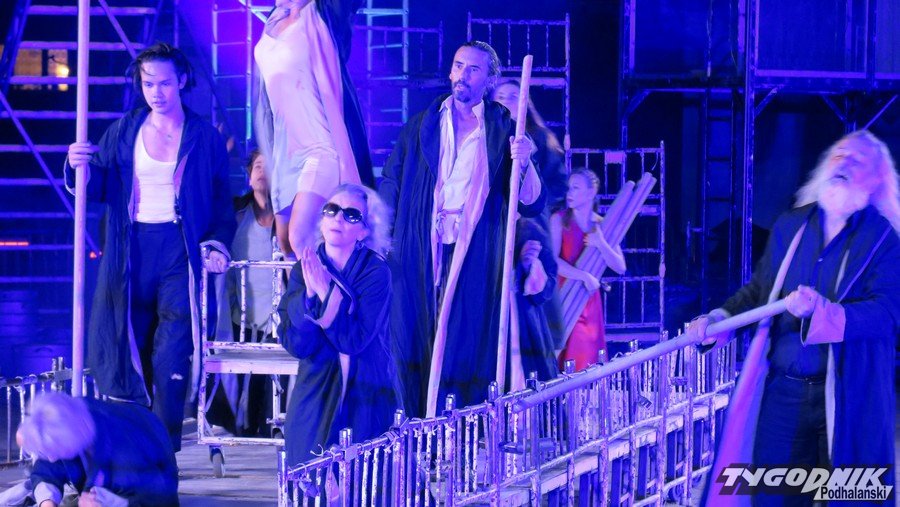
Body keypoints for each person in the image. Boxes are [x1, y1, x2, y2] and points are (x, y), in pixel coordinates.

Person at [694, 130, 900, 506]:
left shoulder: (884, 239)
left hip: (850, 396)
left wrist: (824, 313)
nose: (843, 163)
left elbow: (887, 313)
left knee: (852, 495)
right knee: (774, 496)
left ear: (876, 179)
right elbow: (760, 290)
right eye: (838, 154)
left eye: (857, 159)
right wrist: (720, 320)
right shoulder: (791, 225)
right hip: (783, 396)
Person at [65, 42, 235, 451]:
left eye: (164, 83)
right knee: (129, 345)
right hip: (130, 248)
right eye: (148, 84)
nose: (156, 92)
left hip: (179, 248)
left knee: (173, 351)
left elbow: (221, 202)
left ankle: (164, 447)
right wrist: (77, 166)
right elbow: (98, 187)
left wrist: (216, 245)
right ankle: (132, 443)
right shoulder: (124, 130)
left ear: (182, 81)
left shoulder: (203, 137)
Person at [379, 40, 546, 417]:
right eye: (458, 66)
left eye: (473, 69)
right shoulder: (423, 124)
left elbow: (532, 201)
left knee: (463, 340)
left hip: (475, 251)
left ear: (489, 80)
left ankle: (458, 425)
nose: (462, 75)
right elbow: (392, 179)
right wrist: (383, 235)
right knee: (414, 333)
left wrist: (523, 161)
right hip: (422, 246)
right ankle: (414, 422)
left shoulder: (503, 129)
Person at [277, 184, 401, 466]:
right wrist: (309, 297)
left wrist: (326, 292)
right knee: (308, 471)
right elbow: (297, 345)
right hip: (317, 388)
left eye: (351, 215)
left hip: (367, 391)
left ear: (364, 231)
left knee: (367, 477)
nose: (338, 218)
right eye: (331, 210)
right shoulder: (303, 269)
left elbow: (354, 340)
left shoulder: (376, 272)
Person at [255, 0, 373, 260]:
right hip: (284, 154)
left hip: (320, 147)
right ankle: (317, 286)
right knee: (286, 246)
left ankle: (328, 287)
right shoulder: (274, 19)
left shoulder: (322, 16)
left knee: (299, 237)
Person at [207, 150, 278, 439]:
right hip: (242, 316)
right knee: (241, 380)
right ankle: (235, 427)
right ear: (249, 176)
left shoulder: (289, 219)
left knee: (272, 385)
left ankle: (270, 429)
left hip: (277, 317)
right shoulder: (236, 217)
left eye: (268, 166)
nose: (262, 171)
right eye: (257, 166)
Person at [10, 392, 178, 507]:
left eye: (52, 452)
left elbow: (159, 497)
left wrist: (106, 502)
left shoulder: (127, 449)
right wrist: (47, 502)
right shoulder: (68, 418)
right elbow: (48, 467)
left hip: (145, 486)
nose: (52, 458)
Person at [551, 168, 626, 371]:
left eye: (575, 188)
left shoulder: (602, 225)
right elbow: (553, 262)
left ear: (591, 192)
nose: (569, 193)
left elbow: (620, 267)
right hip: (566, 297)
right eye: (569, 188)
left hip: (589, 300)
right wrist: (583, 276)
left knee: (589, 361)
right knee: (567, 358)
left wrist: (601, 243)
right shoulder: (559, 220)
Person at [491, 79, 568, 217]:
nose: (506, 101)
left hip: (532, 222)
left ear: (525, 102)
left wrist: (531, 205)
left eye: (513, 96)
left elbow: (559, 185)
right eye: (501, 97)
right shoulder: (485, 137)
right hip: (495, 220)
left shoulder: (540, 138)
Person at [508, 219, 559, 390]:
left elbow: (547, 287)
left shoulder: (529, 229)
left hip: (523, 320)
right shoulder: (481, 229)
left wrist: (527, 266)